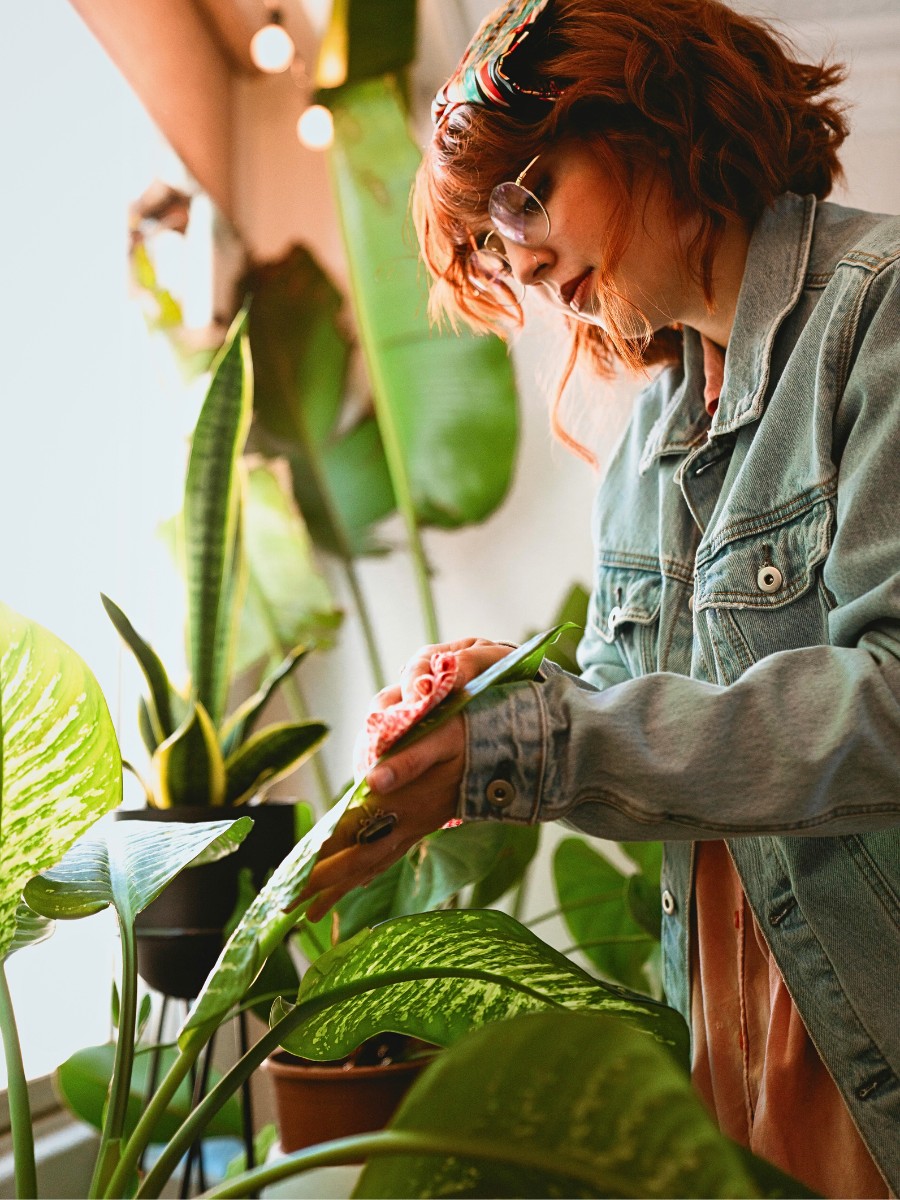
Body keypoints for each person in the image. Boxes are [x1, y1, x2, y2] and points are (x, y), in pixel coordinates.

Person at [303, 0, 900, 1193]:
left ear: (659, 122)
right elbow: (655, 722)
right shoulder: (641, 445)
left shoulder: (878, 315)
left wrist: (546, 740)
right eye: (488, 235)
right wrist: (509, 699)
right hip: (730, 1057)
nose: (517, 259)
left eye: (523, 195)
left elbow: (886, 713)